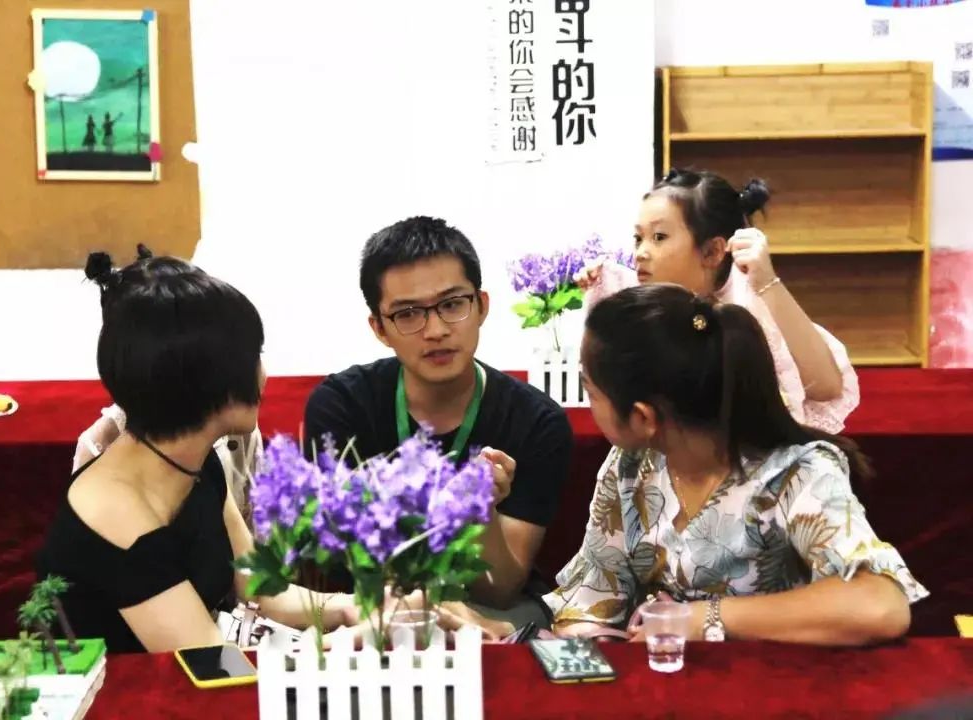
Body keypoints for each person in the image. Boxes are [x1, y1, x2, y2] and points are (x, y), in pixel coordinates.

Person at [544, 284, 926, 644]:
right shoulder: (631, 465)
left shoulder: (795, 474)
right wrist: (585, 641)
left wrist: (702, 619)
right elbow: (594, 593)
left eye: (591, 390)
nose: (588, 403)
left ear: (643, 417)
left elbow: (880, 605)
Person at [37, 249, 363, 653]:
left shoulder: (196, 462)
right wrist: (351, 642)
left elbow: (265, 592)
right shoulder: (114, 511)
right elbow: (212, 662)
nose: (263, 374)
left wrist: (360, 607)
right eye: (254, 357)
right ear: (209, 380)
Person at [303, 216, 574, 629]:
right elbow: (349, 558)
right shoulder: (341, 407)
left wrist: (479, 513)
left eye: (452, 305)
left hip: (486, 613)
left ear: (481, 306)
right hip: (372, 607)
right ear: (379, 328)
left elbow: (500, 589)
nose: (435, 330)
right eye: (408, 313)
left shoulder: (536, 422)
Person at [578, 169, 858, 433]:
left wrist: (768, 282)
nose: (641, 252)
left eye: (659, 237)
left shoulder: (751, 307)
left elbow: (826, 388)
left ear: (712, 252)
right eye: (638, 238)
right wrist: (602, 290)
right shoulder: (640, 304)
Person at [71, 245, 261, 524]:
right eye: (242, 358)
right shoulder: (101, 451)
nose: (262, 374)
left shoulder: (236, 439)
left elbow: (256, 544)